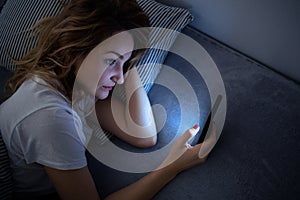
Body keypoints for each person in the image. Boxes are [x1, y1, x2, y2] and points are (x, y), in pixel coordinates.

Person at [0, 0, 217, 199]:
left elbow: (143, 134)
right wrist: (171, 168)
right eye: (110, 61)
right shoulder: (51, 118)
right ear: (77, 51)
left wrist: (125, 58)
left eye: (124, 65)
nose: (120, 78)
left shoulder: (74, 86)